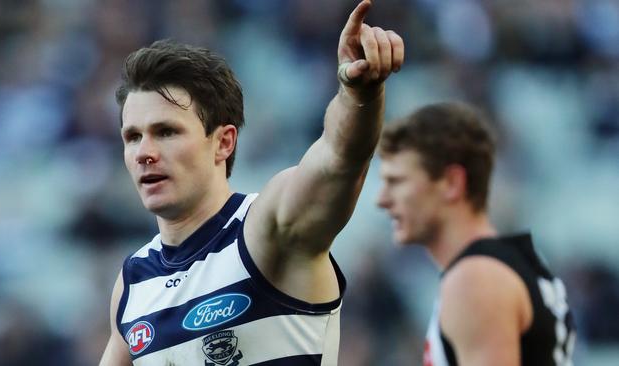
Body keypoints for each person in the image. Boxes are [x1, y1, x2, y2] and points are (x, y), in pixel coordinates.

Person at [98, 1, 404, 365]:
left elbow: (339, 160)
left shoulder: (264, 229)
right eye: (133, 137)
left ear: (224, 142)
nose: (144, 152)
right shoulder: (133, 282)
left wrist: (359, 94)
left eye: (166, 132)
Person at [376, 102, 576, 366]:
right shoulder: (507, 264)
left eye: (397, 181)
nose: (382, 199)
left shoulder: (476, 280)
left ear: (452, 183)